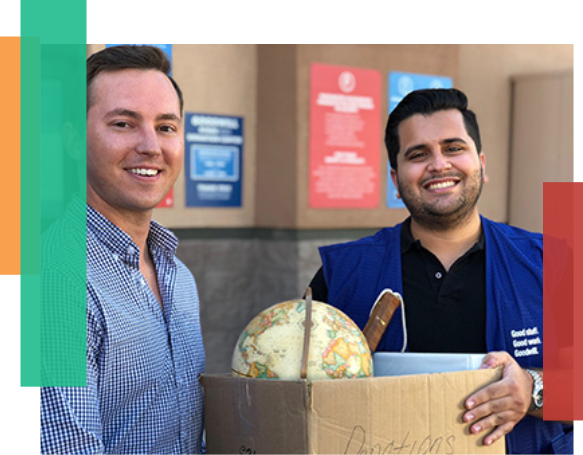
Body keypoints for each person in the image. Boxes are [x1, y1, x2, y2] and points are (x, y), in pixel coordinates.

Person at [309, 88, 573, 454]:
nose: (438, 164)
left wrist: (535, 390)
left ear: (481, 163)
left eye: (453, 148)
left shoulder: (552, 262)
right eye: (418, 154)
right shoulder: (342, 275)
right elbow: (297, 393)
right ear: (395, 179)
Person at [40, 45, 206, 454]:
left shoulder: (177, 275)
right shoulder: (55, 281)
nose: (150, 146)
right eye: (123, 124)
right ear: (74, 140)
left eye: (166, 127)